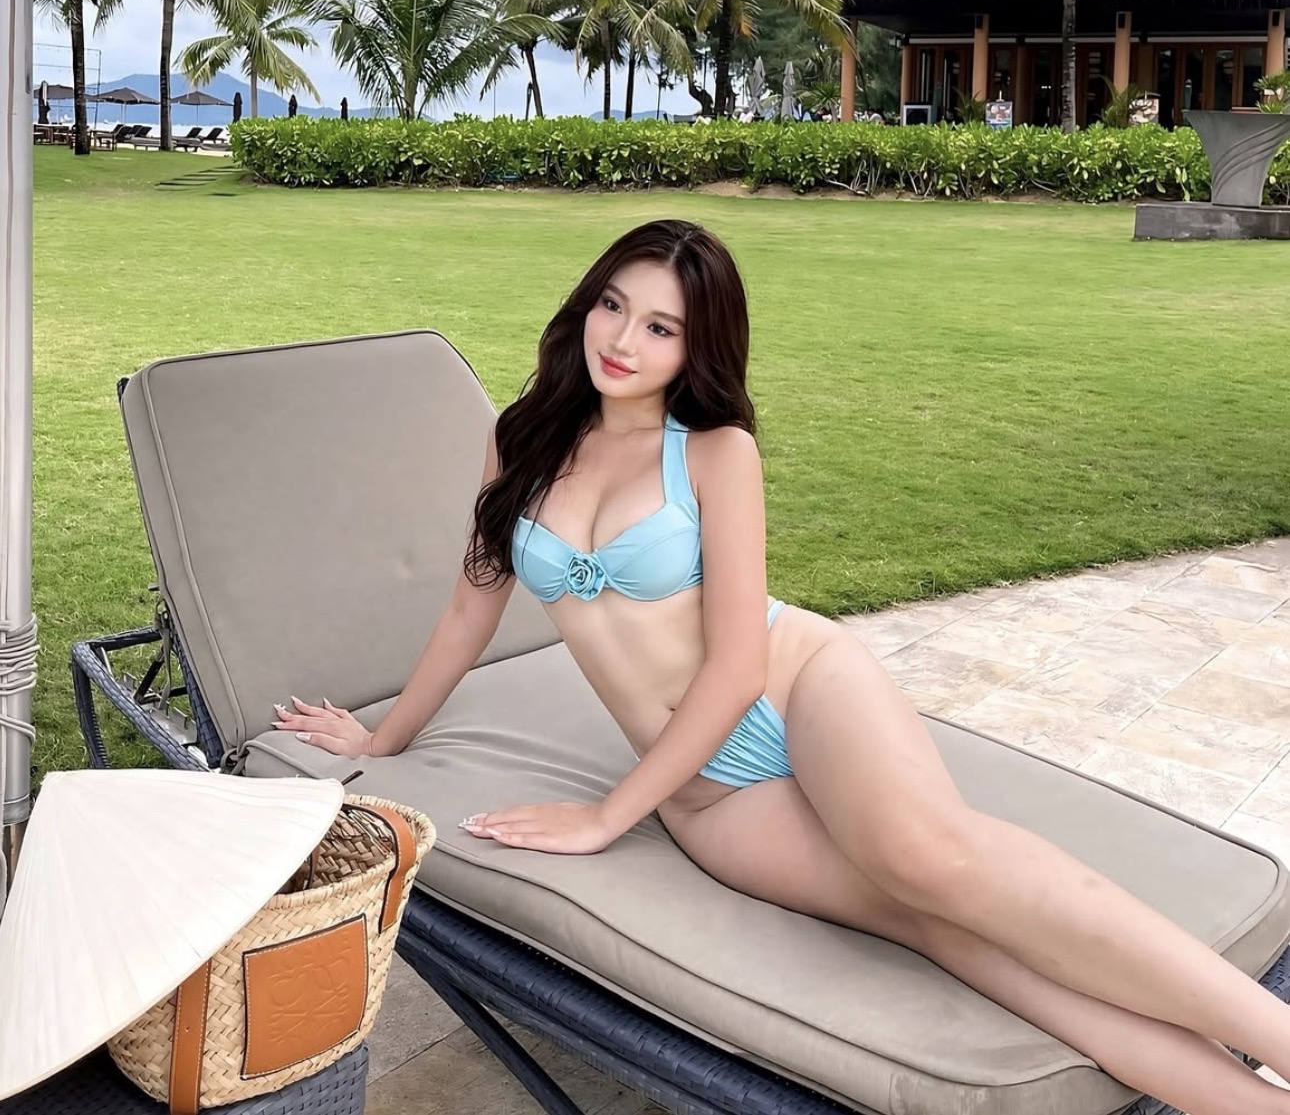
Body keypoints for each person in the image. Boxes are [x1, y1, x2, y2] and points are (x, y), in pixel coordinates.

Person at [275, 219, 1290, 1114]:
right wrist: (382, 736)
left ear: (696, 346)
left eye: (661, 326)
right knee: (942, 929)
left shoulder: (714, 450)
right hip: (710, 796)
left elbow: (737, 663)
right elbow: (472, 602)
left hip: (793, 685)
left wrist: (607, 815)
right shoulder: (522, 437)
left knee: (932, 858)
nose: (623, 340)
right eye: (613, 305)